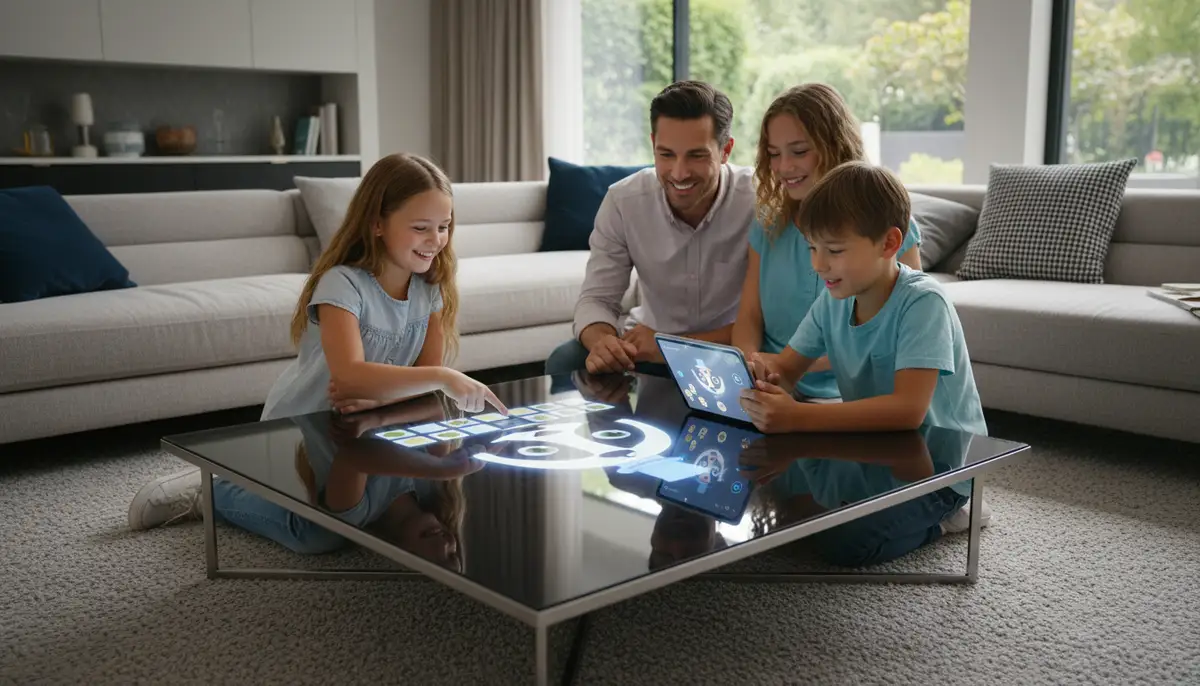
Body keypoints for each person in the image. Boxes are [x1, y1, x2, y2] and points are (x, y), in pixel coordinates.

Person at [128, 153, 506, 532]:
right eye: (422, 227)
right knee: (319, 534)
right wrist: (442, 378)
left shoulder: (430, 288)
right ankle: (215, 488)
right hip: (305, 425)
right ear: (377, 223)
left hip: (364, 420)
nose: (436, 240)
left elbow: (423, 394)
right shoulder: (342, 284)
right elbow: (350, 378)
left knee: (375, 513)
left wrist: (384, 405)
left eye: (444, 226)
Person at [739, 161, 986, 437]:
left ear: (890, 243)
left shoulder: (924, 302)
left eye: (834, 250)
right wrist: (759, 375)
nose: (818, 265)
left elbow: (907, 409)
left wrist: (797, 415)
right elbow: (786, 369)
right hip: (879, 446)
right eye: (812, 247)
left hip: (944, 460)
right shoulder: (832, 302)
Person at [544, 80, 756, 378]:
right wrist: (603, 342)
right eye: (666, 154)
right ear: (653, 143)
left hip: (725, 353)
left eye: (696, 156)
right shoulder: (623, 201)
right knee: (567, 360)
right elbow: (597, 299)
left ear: (726, 150)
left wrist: (670, 346)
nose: (679, 173)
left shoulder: (759, 201)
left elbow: (770, 323)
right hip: (646, 349)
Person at [732, 83, 923, 401]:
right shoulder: (768, 225)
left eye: (799, 151)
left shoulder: (885, 228)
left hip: (851, 398)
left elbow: (894, 337)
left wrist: (789, 366)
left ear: (835, 146)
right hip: (774, 385)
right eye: (774, 154)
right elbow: (749, 318)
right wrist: (750, 363)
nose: (783, 167)